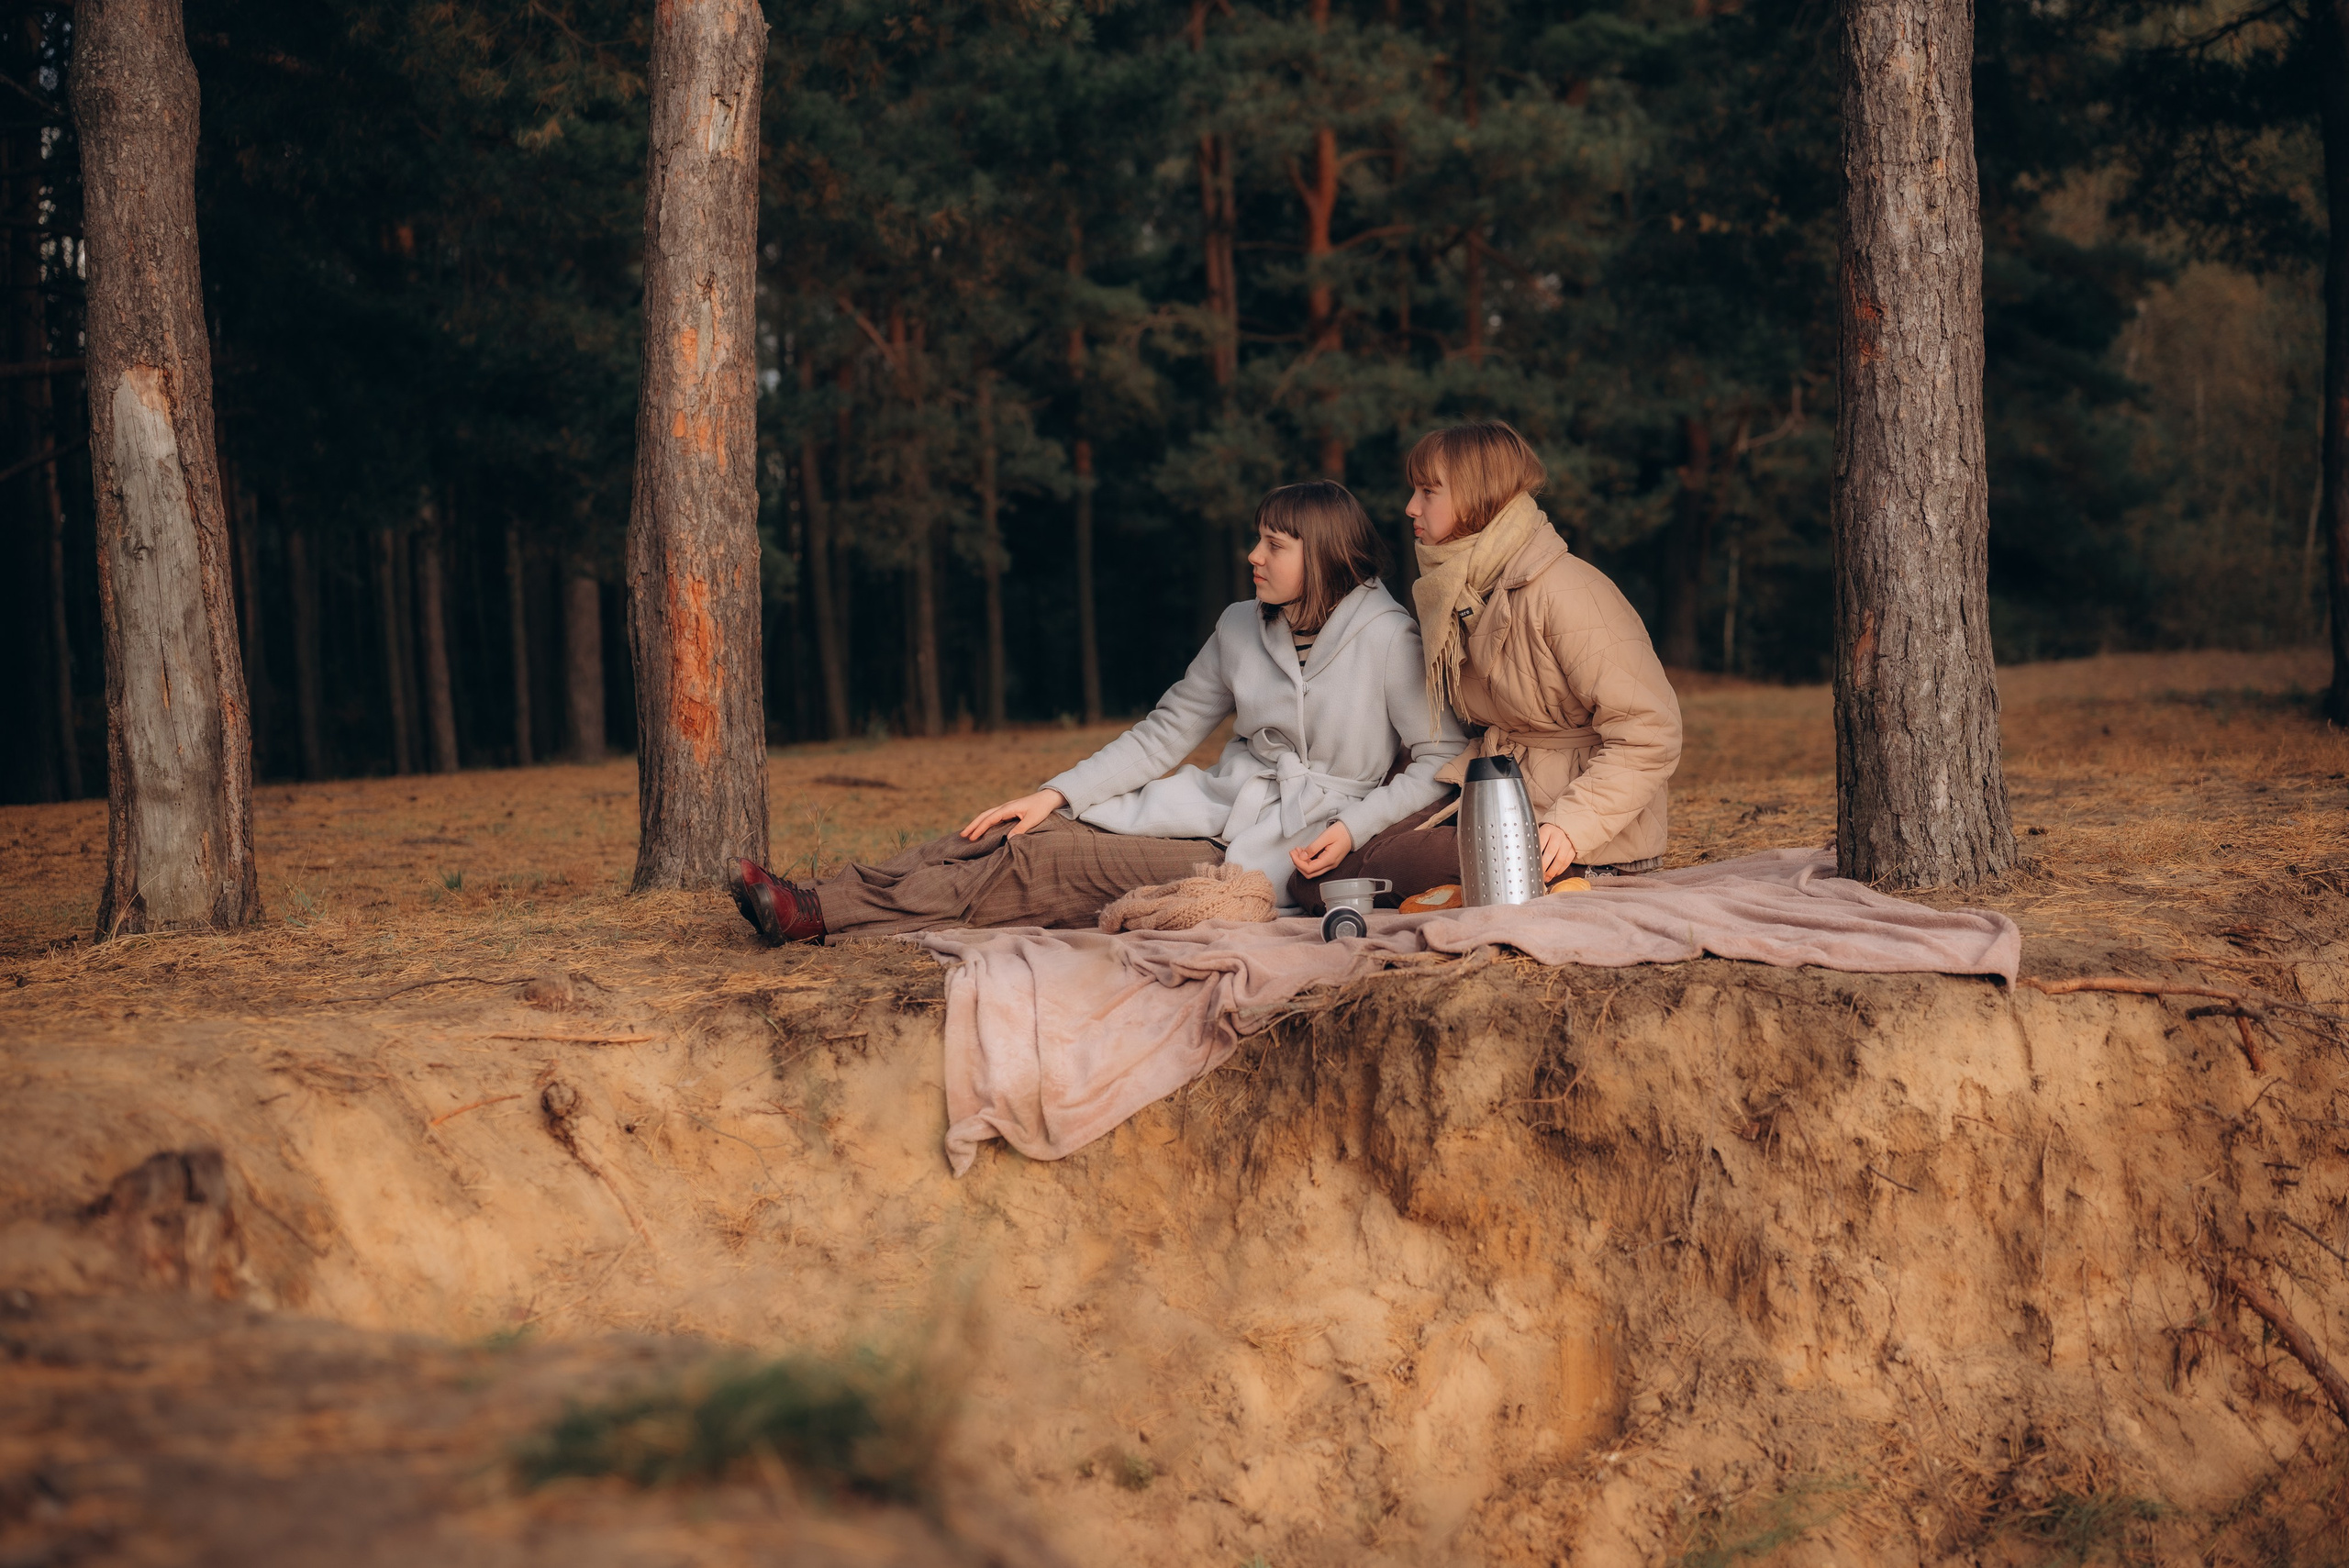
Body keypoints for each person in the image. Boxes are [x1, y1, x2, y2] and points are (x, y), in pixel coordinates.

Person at [730, 480, 1464, 943]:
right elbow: (1165, 732)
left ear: (1327, 556)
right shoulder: (1242, 625)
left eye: (1273, 544)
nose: (1253, 556)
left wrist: (1349, 828)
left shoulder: (1389, 637)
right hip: (1210, 806)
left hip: (1270, 851)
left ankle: (821, 911)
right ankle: (813, 900)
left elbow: (1437, 762)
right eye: (1257, 539)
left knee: (1037, 859)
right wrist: (1056, 791)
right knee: (1021, 825)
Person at [1290, 419, 1682, 913]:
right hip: (1497, 783)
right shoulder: (1462, 589)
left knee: (1364, 871)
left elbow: (1651, 732)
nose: (1411, 506)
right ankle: (1461, 888)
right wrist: (1355, 824)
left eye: (1429, 491)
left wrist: (1570, 827)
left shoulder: (1567, 591)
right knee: (1312, 882)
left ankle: (1517, 885)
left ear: (1479, 497)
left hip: (1583, 832)